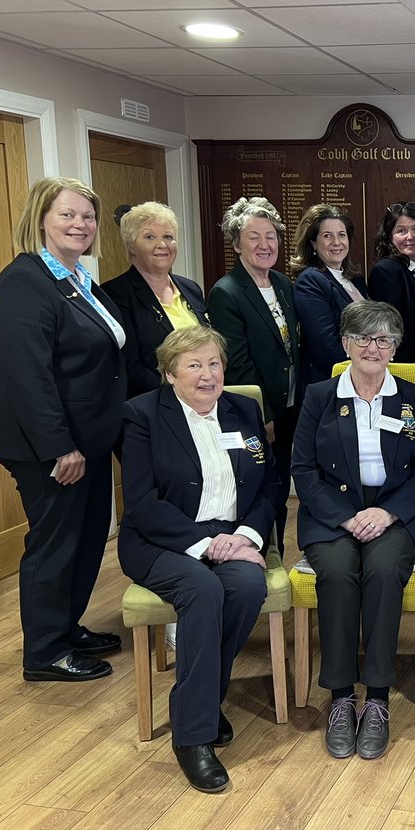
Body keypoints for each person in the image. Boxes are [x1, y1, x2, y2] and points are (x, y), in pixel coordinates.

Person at [0, 176, 126, 683]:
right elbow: (27, 373)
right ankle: (43, 650)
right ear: (41, 219)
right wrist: (60, 446)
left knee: (85, 539)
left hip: (89, 437)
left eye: (87, 216)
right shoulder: (24, 281)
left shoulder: (77, 278)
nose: (80, 224)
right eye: (67, 215)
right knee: (55, 542)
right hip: (49, 444)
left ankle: (66, 627)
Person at [118, 326, 280, 793]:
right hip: (162, 540)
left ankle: (201, 700)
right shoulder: (142, 415)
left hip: (233, 535)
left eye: (214, 364)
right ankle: (193, 736)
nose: (207, 375)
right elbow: (143, 502)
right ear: (170, 374)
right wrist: (204, 544)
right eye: (194, 365)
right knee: (204, 589)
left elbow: (270, 484)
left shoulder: (244, 409)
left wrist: (246, 535)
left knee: (248, 586)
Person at [291, 301, 415, 757]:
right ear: (345, 343)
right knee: (336, 572)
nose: (372, 347)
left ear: (394, 348)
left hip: (396, 513)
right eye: (362, 338)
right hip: (333, 512)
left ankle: (376, 697)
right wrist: (344, 515)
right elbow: (303, 466)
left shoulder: (412, 397)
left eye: (384, 339)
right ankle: (339, 697)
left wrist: (388, 513)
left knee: (381, 569)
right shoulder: (320, 395)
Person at [207, 196, 300, 544]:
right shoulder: (226, 292)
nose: (265, 244)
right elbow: (239, 363)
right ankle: (257, 548)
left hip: (291, 405)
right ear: (236, 244)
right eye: (254, 237)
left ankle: (273, 548)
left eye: (271, 236)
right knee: (262, 484)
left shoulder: (283, 284)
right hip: (261, 412)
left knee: (280, 482)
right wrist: (265, 415)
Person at [102, 201, 209, 398]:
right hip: (155, 405)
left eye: (169, 237)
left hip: (203, 399)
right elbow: (131, 367)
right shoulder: (115, 294)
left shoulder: (191, 289)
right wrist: (180, 396)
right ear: (131, 246)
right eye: (150, 237)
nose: (162, 245)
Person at [291, 203, 368, 384]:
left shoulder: (354, 279)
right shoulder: (310, 281)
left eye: (342, 235)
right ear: (313, 243)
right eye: (327, 236)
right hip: (331, 383)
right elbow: (326, 348)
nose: (336, 242)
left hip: (360, 378)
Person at [367, 202, 415, 362]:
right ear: (389, 236)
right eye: (401, 231)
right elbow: (393, 330)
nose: (410, 236)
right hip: (409, 365)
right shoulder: (386, 271)